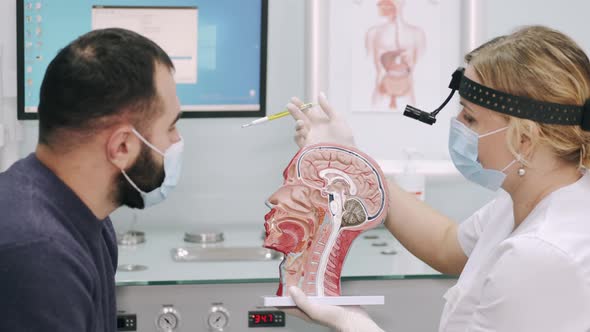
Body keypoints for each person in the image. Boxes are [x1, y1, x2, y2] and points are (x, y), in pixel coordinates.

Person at [285, 25, 590, 331]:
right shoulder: (526, 201)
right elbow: (446, 245)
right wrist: (352, 158)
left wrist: (353, 323)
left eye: (470, 118)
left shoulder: (543, 253)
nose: (458, 126)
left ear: (525, 137)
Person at [0, 28, 183, 331]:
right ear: (122, 146)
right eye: (171, 128)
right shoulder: (37, 253)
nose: (176, 141)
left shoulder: (87, 218)